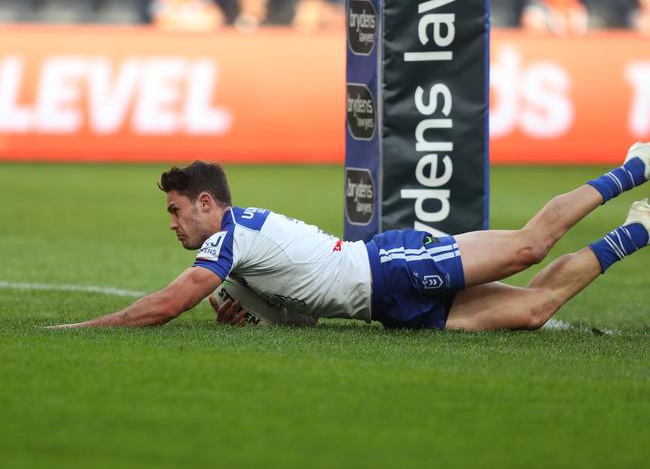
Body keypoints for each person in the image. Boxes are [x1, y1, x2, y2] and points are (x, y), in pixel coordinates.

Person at [49, 142, 650, 332]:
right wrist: (254, 316)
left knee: (528, 247)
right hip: (386, 306)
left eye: (177, 211)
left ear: (207, 204)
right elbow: (303, 321)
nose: (174, 224)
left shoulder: (227, 241)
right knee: (534, 310)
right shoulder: (234, 257)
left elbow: (164, 306)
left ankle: (634, 167)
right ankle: (638, 231)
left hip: (392, 268)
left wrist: (80, 330)